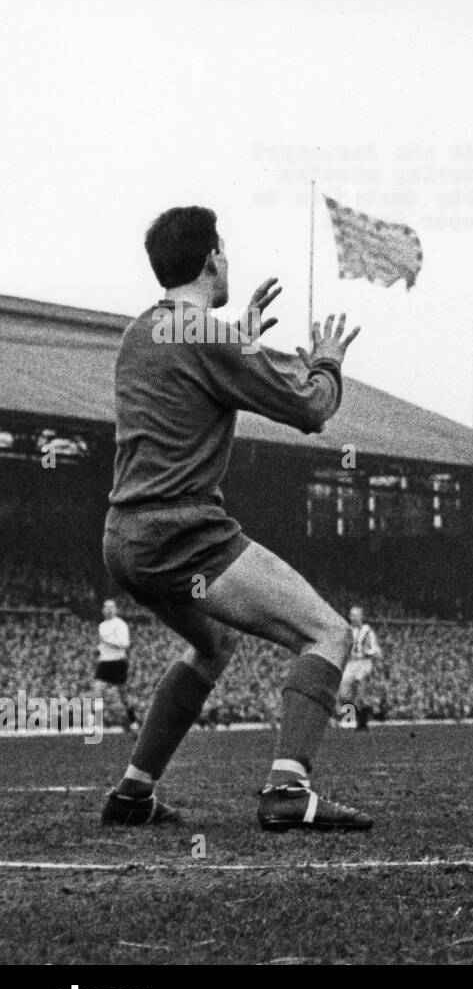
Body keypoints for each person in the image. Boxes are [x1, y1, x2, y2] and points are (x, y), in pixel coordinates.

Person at [100, 205, 372, 831]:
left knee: (212, 644)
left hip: (124, 539)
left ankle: (133, 792)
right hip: (182, 534)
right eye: (224, 249)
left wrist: (240, 334)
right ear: (214, 258)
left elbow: (186, 380)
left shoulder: (141, 333)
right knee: (330, 634)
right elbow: (309, 408)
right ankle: (287, 789)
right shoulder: (211, 339)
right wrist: (327, 361)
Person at [94, 599, 136, 733]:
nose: (109, 609)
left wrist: (107, 642)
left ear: (116, 610)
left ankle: (133, 720)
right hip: (105, 661)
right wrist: (99, 649)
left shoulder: (120, 624)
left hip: (118, 662)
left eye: (112, 607)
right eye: (106, 607)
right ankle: (96, 722)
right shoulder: (101, 625)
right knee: (97, 690)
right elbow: (103, 644)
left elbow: (125, 644)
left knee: (123, 694)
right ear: (103, 610)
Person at [340, 605, 382, 730]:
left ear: (361, 616)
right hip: (351, 663)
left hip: (363, 662)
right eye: (351, 615)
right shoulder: (347, 630)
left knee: (360, 692)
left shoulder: (367, 630)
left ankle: (359, 722)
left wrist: (370, 652)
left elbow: (374, 648)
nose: (353, 617)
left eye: (356, 615)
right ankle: (359, 714)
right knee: (343, 692)